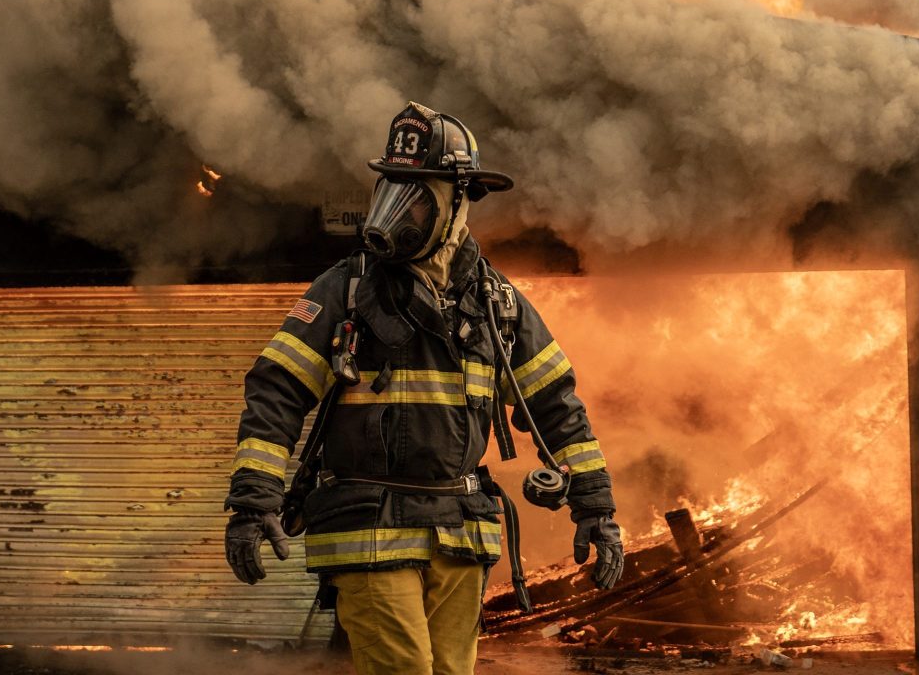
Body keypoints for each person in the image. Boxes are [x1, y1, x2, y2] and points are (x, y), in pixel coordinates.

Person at [224, 101, 623, 675]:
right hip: (368, 527)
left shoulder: (498, 304)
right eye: (390, 191)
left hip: (459, 528)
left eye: (415, 197)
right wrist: (252, 500)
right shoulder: (345, 291)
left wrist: (595, 506)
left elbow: (555, 405)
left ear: (459, 201)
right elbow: (277, 389)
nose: (394, 214)